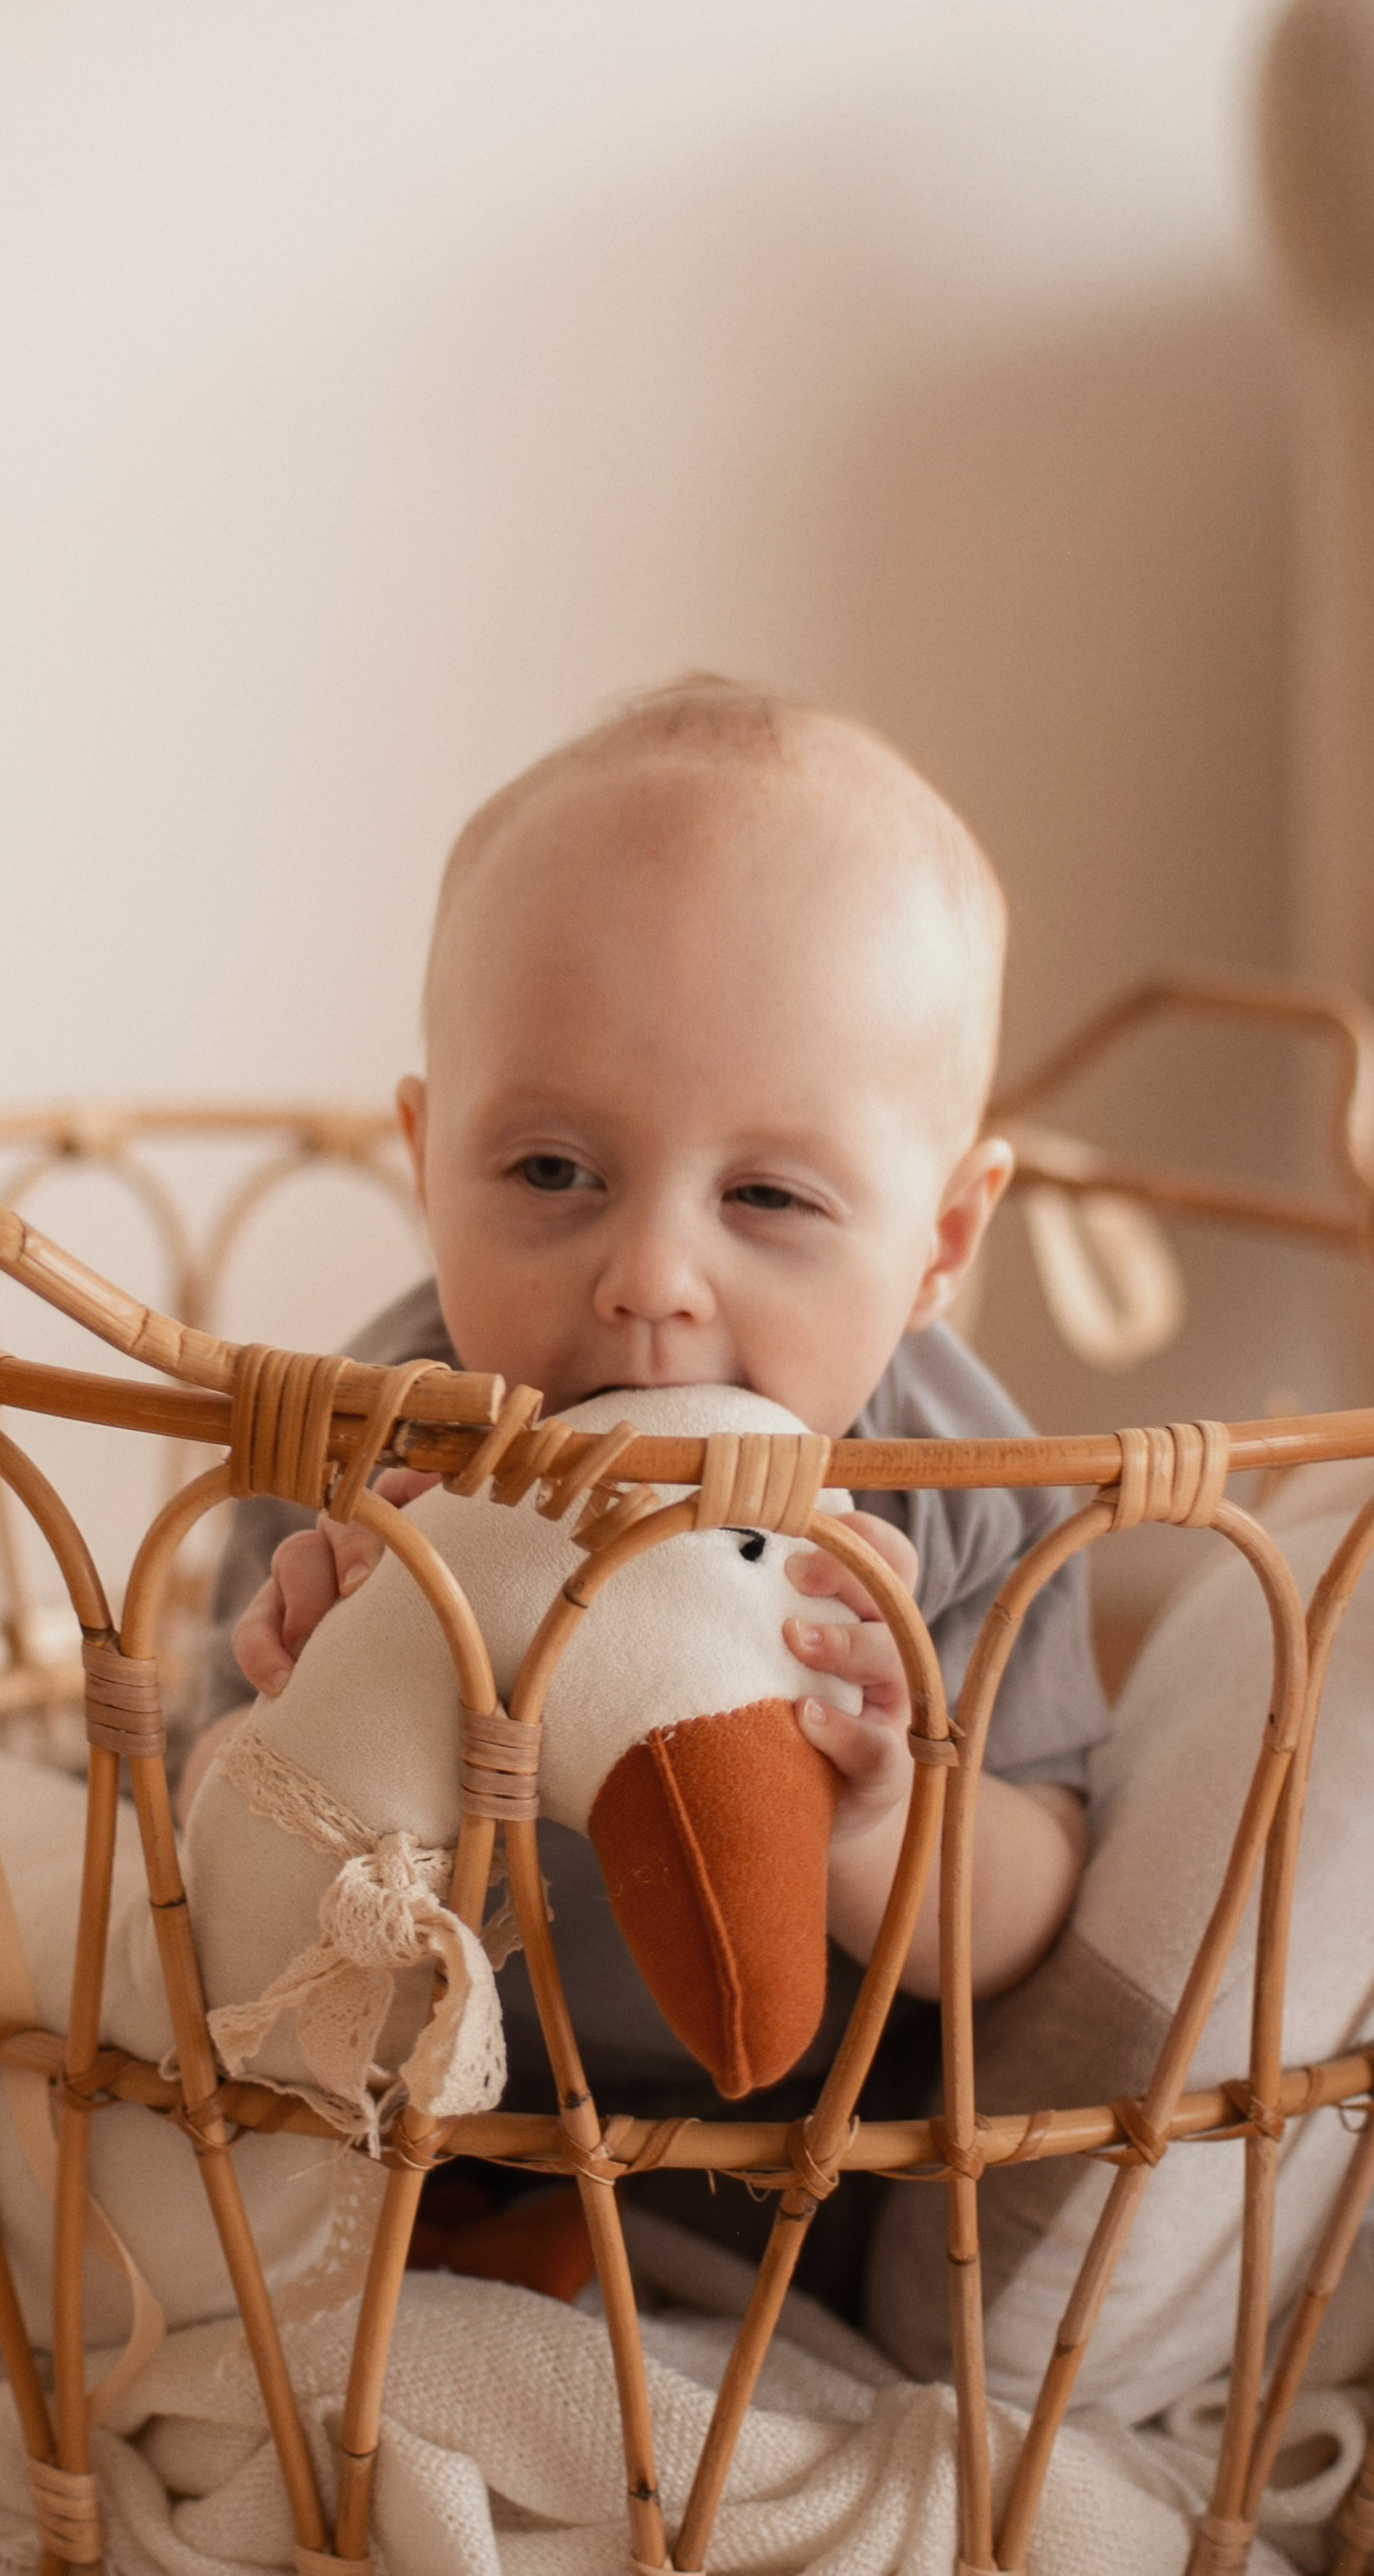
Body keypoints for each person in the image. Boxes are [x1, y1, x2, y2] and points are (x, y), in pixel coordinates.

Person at [187, 674, 1106, 2172]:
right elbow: (197, 1855)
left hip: (821, 2162)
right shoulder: (367, 1446)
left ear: (942, 1242)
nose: (651, 1282)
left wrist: (877, 1823)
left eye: (768, 1196)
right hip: (427, 2130)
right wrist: (300, 1711)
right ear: (428, 1162)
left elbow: (1034, 1905)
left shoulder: (962, 1483)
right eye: (553, 1172)